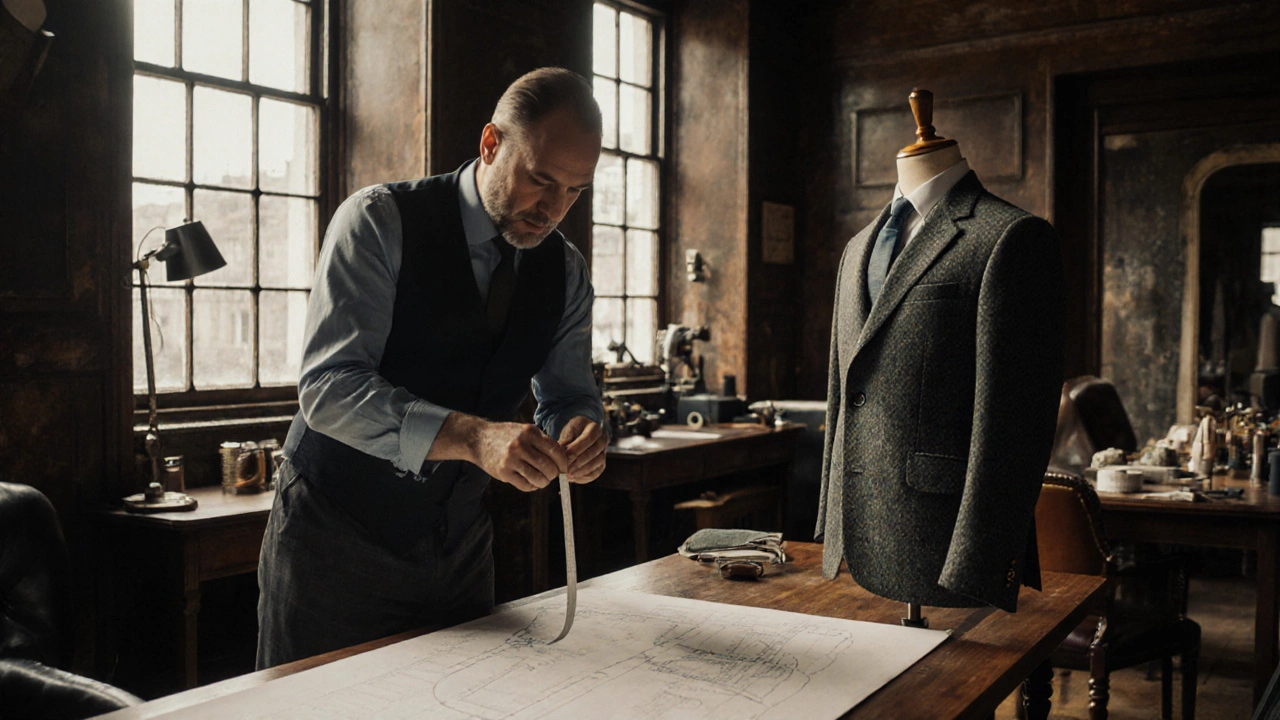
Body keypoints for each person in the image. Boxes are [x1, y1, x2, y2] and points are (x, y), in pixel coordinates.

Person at [256, 67, 608, 669]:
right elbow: (329, 388)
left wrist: (582, 432)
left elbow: (569, 396)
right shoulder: (378, 221)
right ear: (491, 144)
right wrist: (473, 437)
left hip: (462, 547)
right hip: (335, 540)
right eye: (540, 180)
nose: (554, 209)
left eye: (575, 191)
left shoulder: (567, 272)